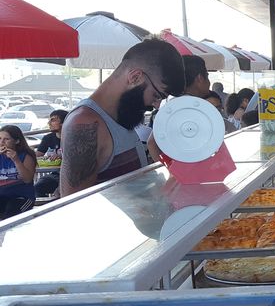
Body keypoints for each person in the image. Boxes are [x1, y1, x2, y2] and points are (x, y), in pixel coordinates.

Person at [61, 39, 185, 197]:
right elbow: (74, 205)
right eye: (156, 96)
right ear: (135, 77)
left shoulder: (122, 116)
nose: (156, 105)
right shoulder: (86, 123)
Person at [0, 125, 37, 218]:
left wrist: (16, 160)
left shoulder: (26, 156)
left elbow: (27, 179)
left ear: (16, 141)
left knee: (11, 215)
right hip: (2, 195)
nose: (1, 142)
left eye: (6, 139)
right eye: (0, 138)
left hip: (22, 196)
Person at [34, 109, 67, 198]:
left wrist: (62, 156)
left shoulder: (73, 137)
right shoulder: (48, 138)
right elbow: (37, 156)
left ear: (64, 123)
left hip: (72, 174)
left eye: (53, 120)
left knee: (61, 192)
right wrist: (45, 159)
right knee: (37, 187)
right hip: (56, 174)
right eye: (49, 120)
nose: (49, 123)